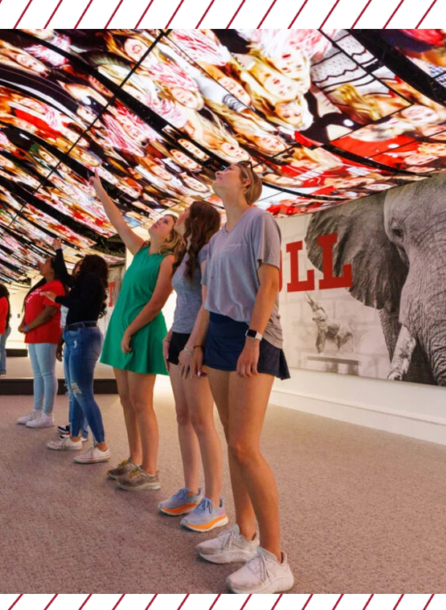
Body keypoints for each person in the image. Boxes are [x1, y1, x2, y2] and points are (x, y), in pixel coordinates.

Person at [185, 162, 294, 594]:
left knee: (246, 446)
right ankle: (244, 535)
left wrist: (254, 337)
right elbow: (209, 303)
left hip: (254, 335)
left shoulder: (260, 221)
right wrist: (196, 345)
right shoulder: (215, 240)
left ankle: (275, 558)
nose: (218, 172)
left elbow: (269, 286)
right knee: (233, 440)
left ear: (246, 181)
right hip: (220, 339)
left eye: (227, 169)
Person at [92, 174, 181, 492]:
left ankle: (151, 470)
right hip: (123, 329)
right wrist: (101, 189)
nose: (160, 221)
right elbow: (117, 221)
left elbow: (157, 302)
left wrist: (129, 331)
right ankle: (135, 457)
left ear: (174, 234)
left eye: (167, 221)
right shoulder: (142, 249)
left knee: (143, 403)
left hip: (141, 331)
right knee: (127, 399)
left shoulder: (168, 259)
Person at [162, 201, 228, 533]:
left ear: (196, 220)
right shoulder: (188, 253)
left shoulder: (206, 253)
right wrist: (172, 334)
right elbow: (184, 302)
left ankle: (214, 502)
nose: (180, 216)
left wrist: (193, 345)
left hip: (196, 343)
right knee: (183, 416)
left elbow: (208, 304)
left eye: (186, 213)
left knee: (203, 421)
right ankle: (190, 491)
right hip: (180, 338)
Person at [43, 252, 111, 465]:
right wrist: (59, 251)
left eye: (80, 265)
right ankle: (74, 437)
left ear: (89, 266)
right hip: (75, 334)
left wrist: (58, 299)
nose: (77, 269)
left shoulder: (91, 281)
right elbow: (65, 278)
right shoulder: (87, 282)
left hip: (82, 337)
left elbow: (77, 304)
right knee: (75, 391)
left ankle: (101, 446)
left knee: (82, 392)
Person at [16, 240, 68, 429]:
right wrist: (23, 324)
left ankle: (48, 414)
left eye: (46, 262)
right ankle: (36, 411)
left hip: (46, 334)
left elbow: (48, 312)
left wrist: (28, 327)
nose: (41, 265)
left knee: (47, 373)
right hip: (34, 335)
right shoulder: (40, 287)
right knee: (38, 374)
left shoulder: (56, 286)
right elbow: (30, 308)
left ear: (53, 269)